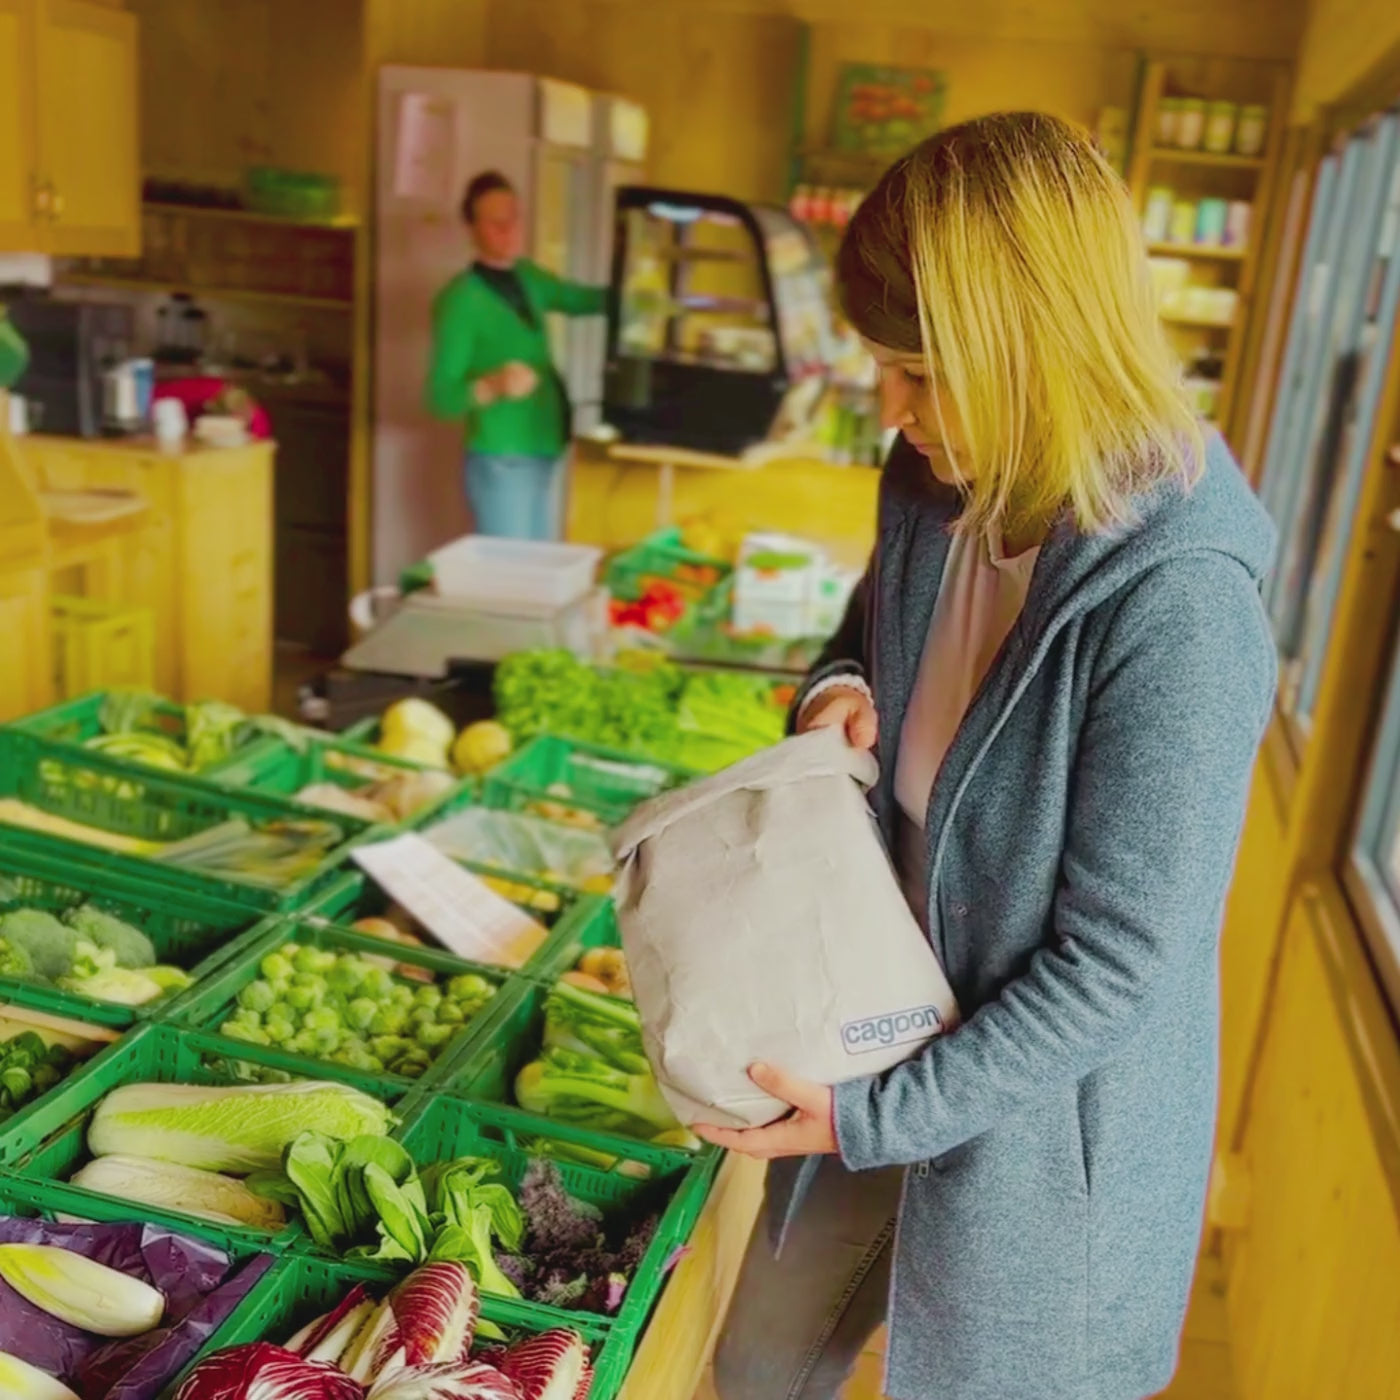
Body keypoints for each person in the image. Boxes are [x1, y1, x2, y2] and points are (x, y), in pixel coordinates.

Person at [700, 112, 1277, 1400]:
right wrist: (836, 690)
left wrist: (871, 1117)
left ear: (1036, 350)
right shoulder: (937, 477)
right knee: (747, 1371)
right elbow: (867, 634)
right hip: (875, 1027)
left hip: (1035, 1126)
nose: (886, 411)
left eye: (918, 372)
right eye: (880, 369)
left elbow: (1116, 964)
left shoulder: (1176, 603)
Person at [426, 170, 605, 540]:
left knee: (538, 576)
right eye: (496, 223)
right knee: (510, 579)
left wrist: (636, 293)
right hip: (501, 460)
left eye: (514, 218)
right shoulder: (459, 301)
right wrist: (493, 384)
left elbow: (581, 300)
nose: (509, 230)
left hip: (545, 446)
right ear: (472, 230)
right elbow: (440, 398)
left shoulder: (529, 277)